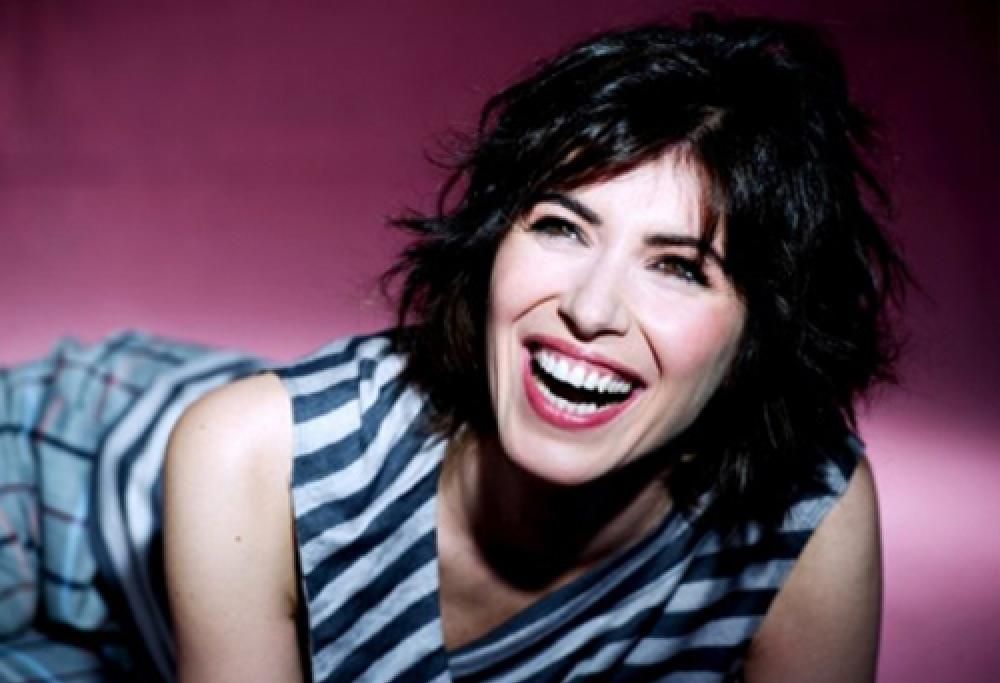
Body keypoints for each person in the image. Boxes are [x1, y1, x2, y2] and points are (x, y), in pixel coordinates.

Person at [0, 13, 904, 683]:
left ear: (765, 330)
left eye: (678, 267)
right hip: (49, 484)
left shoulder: (804, 516)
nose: (589, 308)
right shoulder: (247, 452)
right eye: (560, 226)